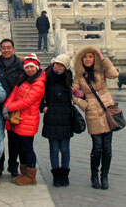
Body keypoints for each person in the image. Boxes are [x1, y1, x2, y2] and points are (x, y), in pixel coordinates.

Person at [72, 46, 119, 190]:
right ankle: (94, 175)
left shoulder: (101, 71)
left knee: (108, 148)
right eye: (85, 57)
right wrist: (84, 104)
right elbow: (74, 95)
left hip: (106, 111)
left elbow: (114, 74)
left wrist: (103, 58)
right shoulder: (79, 77)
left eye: (91, 56)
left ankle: (104, 176)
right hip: (92, 112)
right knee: (97, 147)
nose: (88, 59)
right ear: (81, 59)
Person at [2, 53, 46, 185]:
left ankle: (31, 176)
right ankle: (24, 174)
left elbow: (28, 101)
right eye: (27, 67)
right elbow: (13, 94)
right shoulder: (23, 79)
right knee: (21, 147)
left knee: (27, 148)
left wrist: (9, 108)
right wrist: (6, 106)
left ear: (37, 67)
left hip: (28, 120)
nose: (29, 70)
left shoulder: (39, 83)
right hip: (18, 119)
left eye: (32, 67)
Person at [0, 38, 23, 178]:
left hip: (14, 107)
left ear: (13, 49)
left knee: (14, 138)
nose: (6, 50)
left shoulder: (21, 65)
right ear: (0, 49)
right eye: (3, 47)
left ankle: (13, 166)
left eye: (9, 47)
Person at [42, 53, 74, 187]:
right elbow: (40, 94)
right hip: (52, 117)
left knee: (65, 148)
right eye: (57, 64)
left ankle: (64, 175)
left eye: (62, 65)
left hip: (66, 116)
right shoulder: (46, 76)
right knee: (54, 148)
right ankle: (56, 174)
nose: (58, 67)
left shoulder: (69, 78)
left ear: (65, 68)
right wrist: (43, 106)